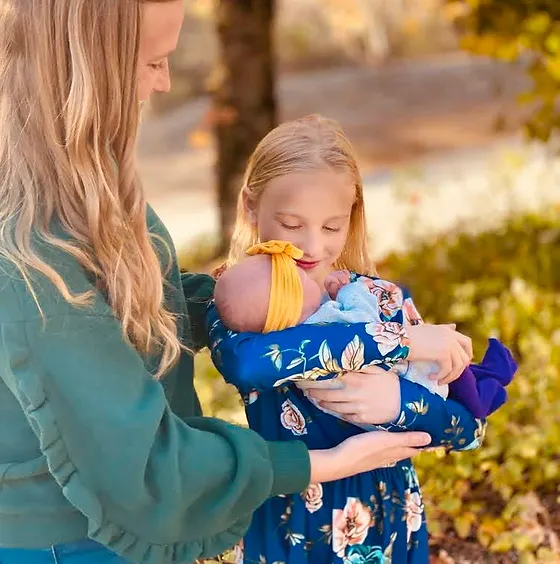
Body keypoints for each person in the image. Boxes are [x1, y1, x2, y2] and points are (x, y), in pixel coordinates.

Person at [0, 3, 433, 564]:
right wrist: (324, 463)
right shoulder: (34, 248)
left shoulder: (79, 178)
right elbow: (144, 463)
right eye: (154, 61)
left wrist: (303, 305)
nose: (165, 81)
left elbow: (142, 306)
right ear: (91, 64)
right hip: (71, 539)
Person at [207, 115, 504, 563]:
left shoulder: (379, 298)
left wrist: (399, 402)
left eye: (331, 227)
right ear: (251, 206)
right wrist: (398, 340)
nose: (311, 247)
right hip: (296, 524)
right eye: (290, 223)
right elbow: (250, 364)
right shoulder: (241, 299)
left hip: (391, 519)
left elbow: (469, 429)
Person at [213, 243, 515, 421]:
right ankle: (491, 388)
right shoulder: (324, 318)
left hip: (402, 382)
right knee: (464, 387)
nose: (305, 271)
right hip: (415, 377)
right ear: (290, 300)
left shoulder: (299, 336)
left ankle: (488, 376)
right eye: (297, 277)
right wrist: (348, 289)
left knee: (458, 371)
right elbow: (364, 320)